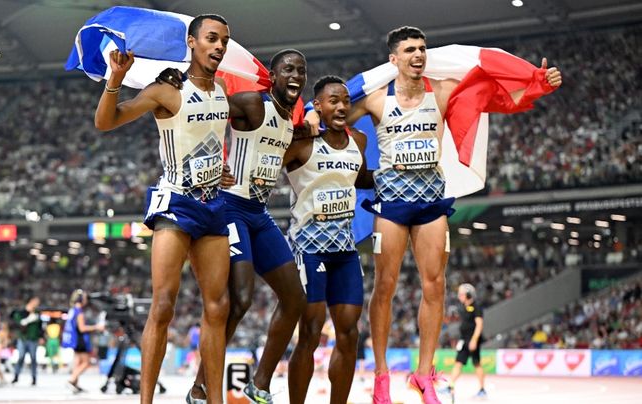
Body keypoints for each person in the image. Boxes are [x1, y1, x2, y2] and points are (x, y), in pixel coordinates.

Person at [307, 26, 562, 404]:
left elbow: (494, 98)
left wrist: (540, 84)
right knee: (385, 286)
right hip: (391, 204)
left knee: (435, 286)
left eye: (422, 48)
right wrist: (312, 116)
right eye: (409, 49)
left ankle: (423, 375)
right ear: (393, 59)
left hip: (430, 202)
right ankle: (381, 376)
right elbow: (336, 114)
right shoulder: (377, 99)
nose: (418, 54)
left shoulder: (442, 91)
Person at [93, 14, 233, 404]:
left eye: (223, 40)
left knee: (218, 306)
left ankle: (214, 398)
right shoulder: (166, 90)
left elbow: (205, 140)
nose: (219, 46)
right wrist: (115, 79)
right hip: (176, 202)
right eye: (211, 39)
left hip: (212, 205)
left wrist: (215, 169)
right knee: (163, 303)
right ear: (191, 42)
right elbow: (106, 121)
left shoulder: (221, 91)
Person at [161, 48, 308, 404]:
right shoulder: (253, 104)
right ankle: (199, 386)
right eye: (288, 69)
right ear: (272, 76)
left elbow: (278, 158)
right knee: (239, 299)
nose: (296, 75)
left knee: (295, 299)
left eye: (301, 71)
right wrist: (179, 84)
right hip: (229, 209)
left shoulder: (291, 121)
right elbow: (207, 109)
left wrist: (309, 131)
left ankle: (258, 385)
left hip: (258, 213)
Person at [285, 76, 373, 404]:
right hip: (308, 248)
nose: (341, 107)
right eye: (333, 101)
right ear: (317, 106)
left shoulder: (360, 141)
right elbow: (265, 164)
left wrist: (400, 174)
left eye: (346, 101)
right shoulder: (302, 142)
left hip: (345, 250)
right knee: (310, 331)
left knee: (349, 333)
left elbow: (362, 177)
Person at [445, 283, 486, 399]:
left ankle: (482, 390)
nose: (459, 296)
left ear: (468, 294)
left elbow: (479, 325)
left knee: (476, 363)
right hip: (464, 340)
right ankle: (450, 387)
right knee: (458, 362)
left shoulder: (477, 307)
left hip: (473, 340)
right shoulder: (463, 307)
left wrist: (474, 340)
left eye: (461, 294)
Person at [61, 289, 105, 393]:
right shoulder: (79, 312)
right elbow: (82, 328)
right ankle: (71, 380)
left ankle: (75, 383)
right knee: (86, 362)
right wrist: (97, 327)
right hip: (80, 339)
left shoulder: (72, 310)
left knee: (78, 362)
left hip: (75, 339)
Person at [11, 296, 43, 386]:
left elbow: (40, 327)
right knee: (21, 357)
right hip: (23, 338)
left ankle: (34, 378)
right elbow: (17, 321)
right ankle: (16, 376)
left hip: (33, 339)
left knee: (33, 358)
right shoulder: (22, 312)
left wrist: (41, 336)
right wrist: (28, 318)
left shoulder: (37, 313)